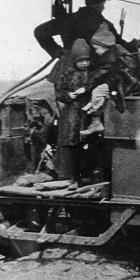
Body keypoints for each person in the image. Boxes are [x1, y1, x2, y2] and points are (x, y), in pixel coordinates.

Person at [34, 0, 132, 60]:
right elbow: (119, 43)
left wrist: (57, 52)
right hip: (95, 66)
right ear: (99, 5)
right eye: (103, 3)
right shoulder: (105, 24)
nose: (104, 7)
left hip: (72, 63)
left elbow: (39, 32)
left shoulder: (67, 19)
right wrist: (136, 45)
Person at [53, 39, 95, 182]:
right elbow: (59, 92)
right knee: (69, 143)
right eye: (81, 60)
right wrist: (69, 95)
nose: (84, 63)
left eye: (86, 60)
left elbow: (96, 84)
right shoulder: (67, 74)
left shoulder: (92, 74)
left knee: (87, 143)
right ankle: (68, 175)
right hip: (71, 114)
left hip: (87, 112)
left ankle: (85, 174)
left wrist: (87, 89)